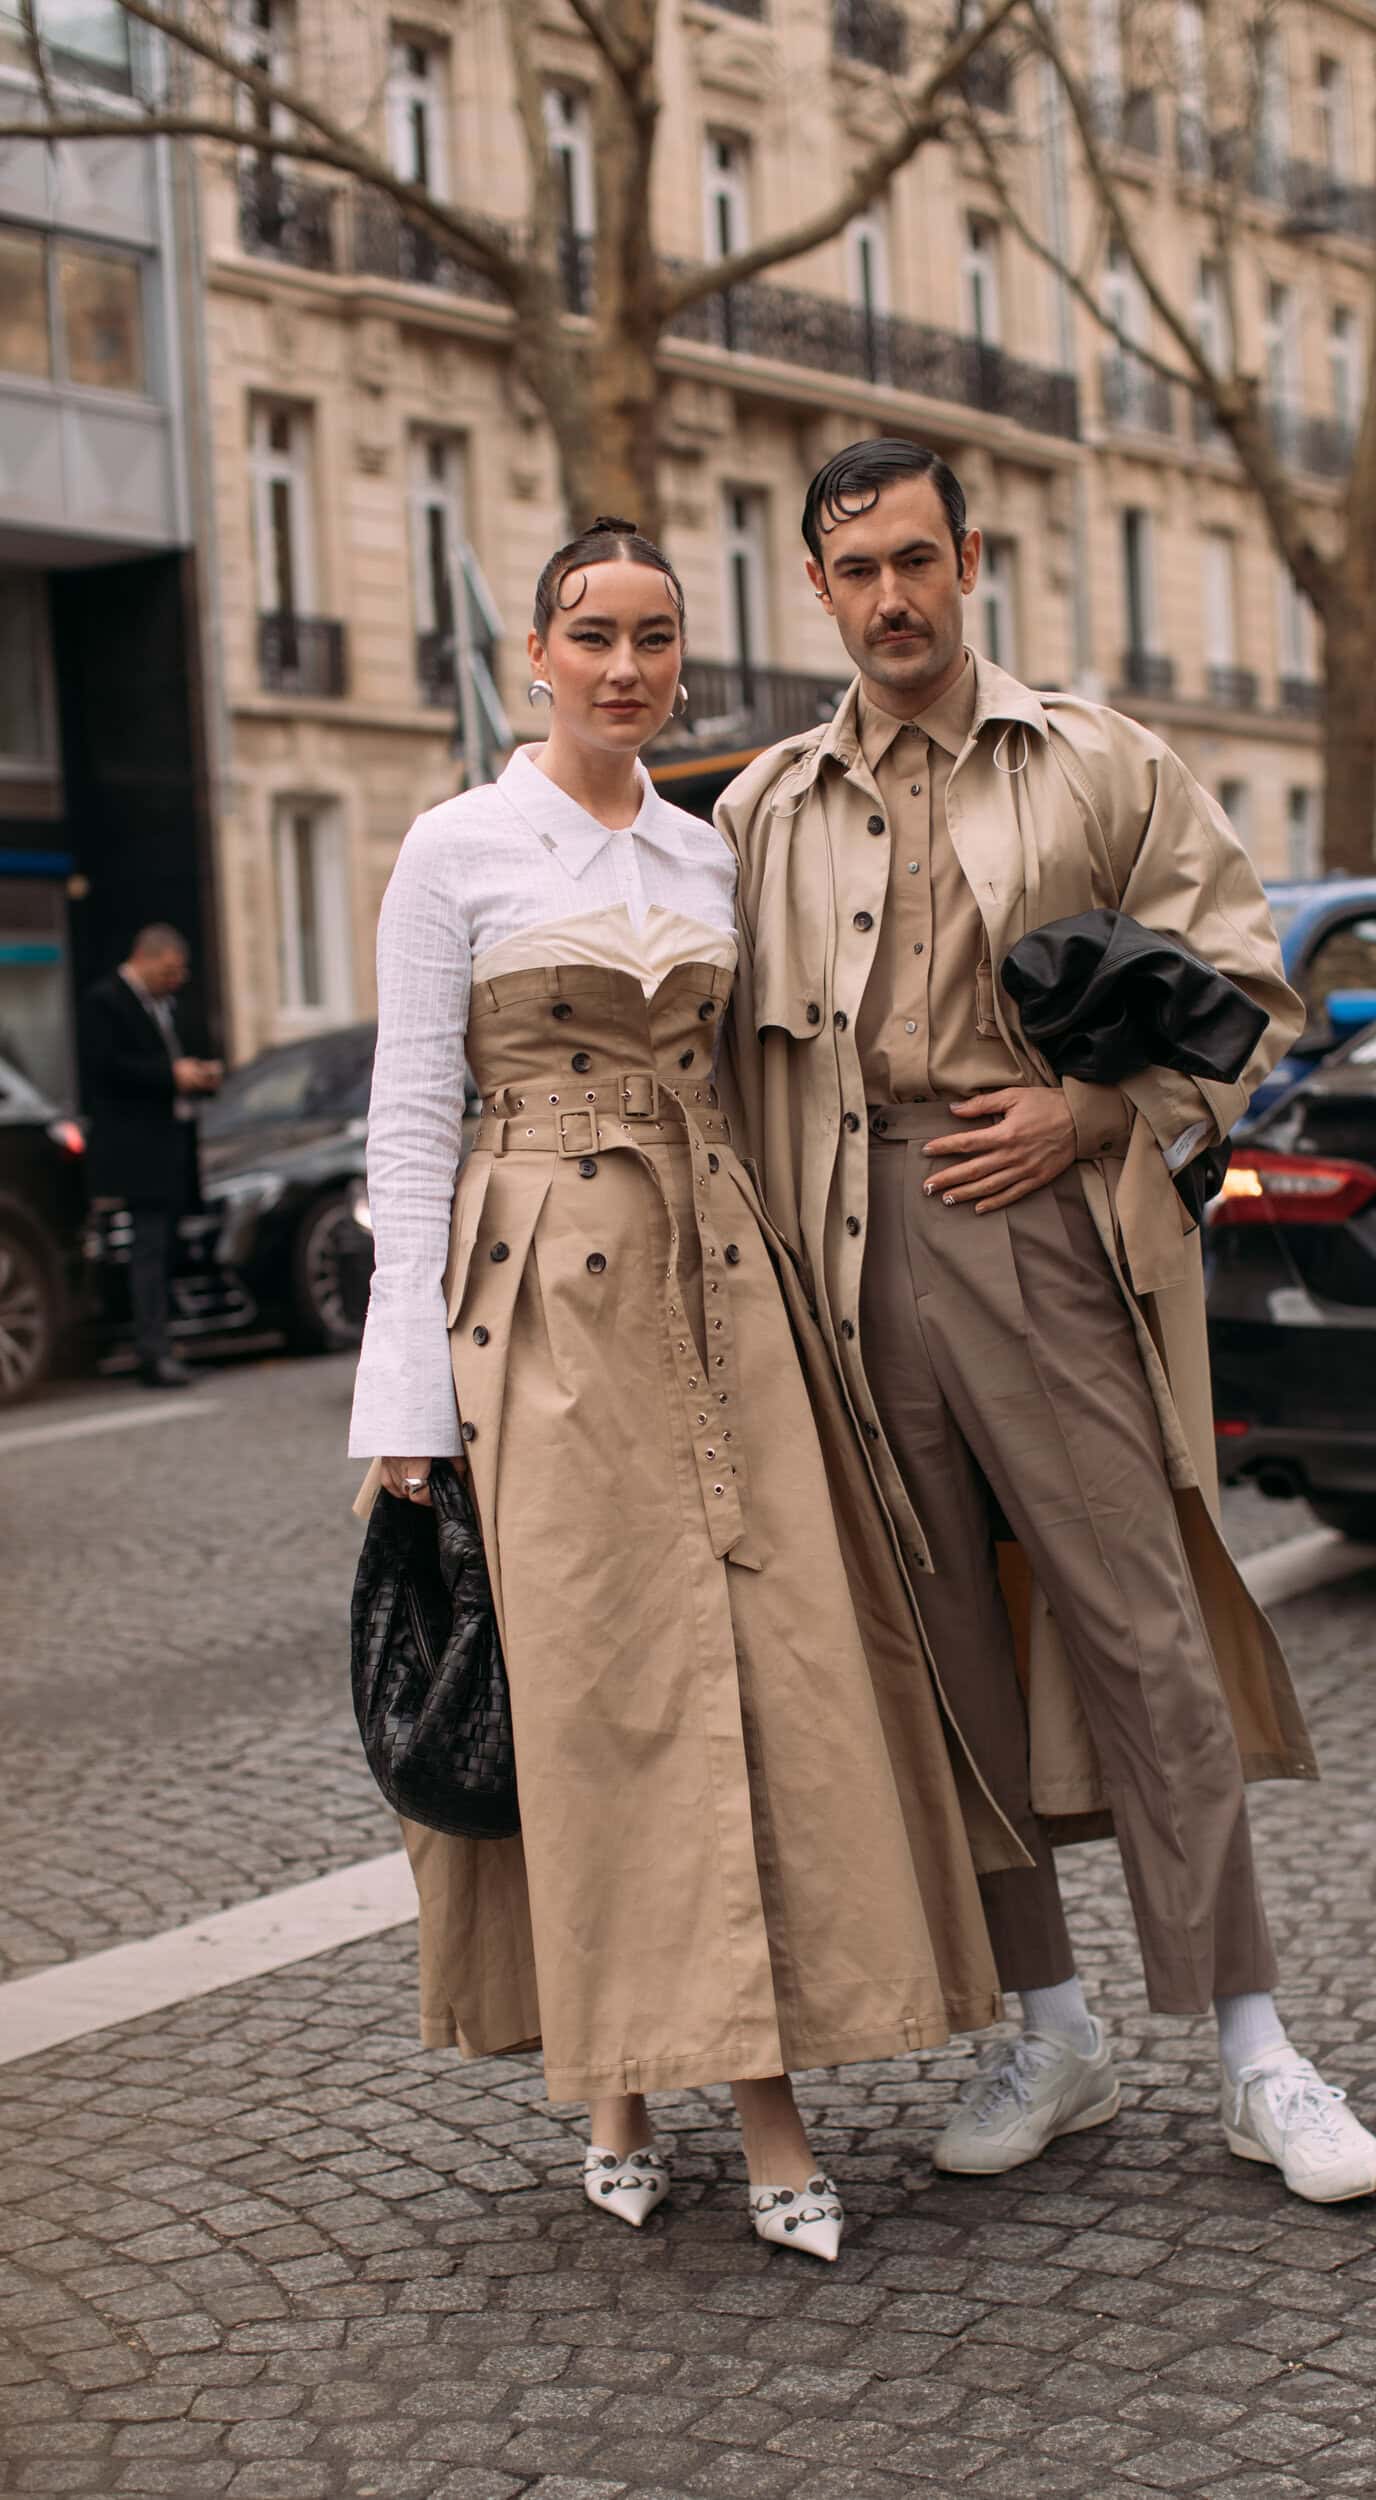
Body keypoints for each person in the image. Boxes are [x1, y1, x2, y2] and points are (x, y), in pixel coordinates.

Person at [717, 439, 1376, 2205]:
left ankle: (1255, 2049)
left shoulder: (1100, 759)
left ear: (968, 562)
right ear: (814, 587)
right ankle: (1054, 2028)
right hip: (847, 1252)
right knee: (942, 1659)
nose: (891, 596)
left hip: (1048, 1240)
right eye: (855, 567)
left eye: (917, 559)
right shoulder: (761, 810)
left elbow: (1246, 986)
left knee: (1141, 1631)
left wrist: (1100, 1115)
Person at [348, 518, 1015, 2266]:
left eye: (654, 637)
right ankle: (623, 2083)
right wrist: (403, 1412)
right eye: (593, 634)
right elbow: (409, 1133)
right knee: (597, 1693)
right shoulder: (454, 848)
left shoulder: (705, 848)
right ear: (537, 656)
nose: (626, 666)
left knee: (767, 1686)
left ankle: (760, 2097)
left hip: (725, 1292)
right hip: (539, 1318)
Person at [82, 924, 221, 1389]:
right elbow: (106, 1071)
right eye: (168, 970)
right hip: (136, 1151)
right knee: (148, 1250)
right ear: (144, 957)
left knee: (163, 1252)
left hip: (170, 1145)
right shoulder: (105, 1001)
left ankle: (162, 1344)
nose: (174, 980)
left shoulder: (167, 1005)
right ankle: (152, 1352)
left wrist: (200, 1073)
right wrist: (172, 1075)